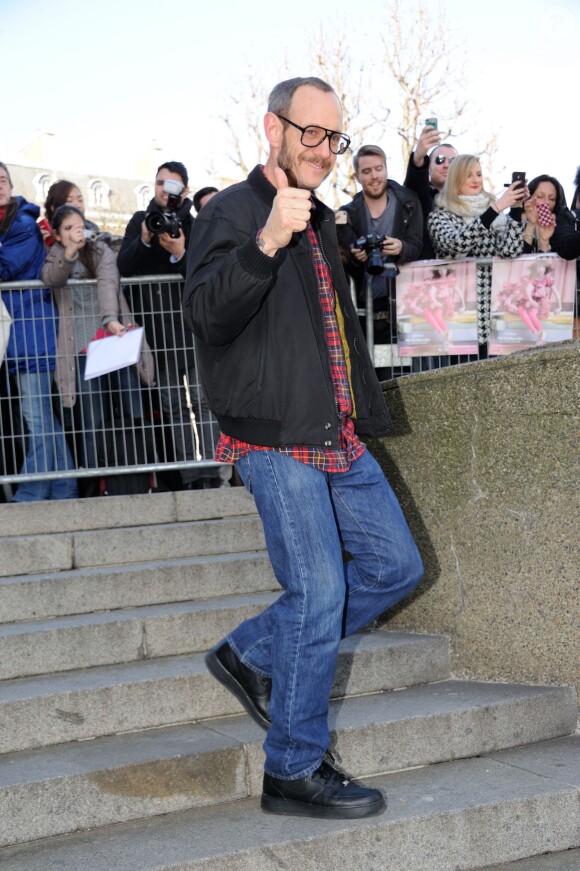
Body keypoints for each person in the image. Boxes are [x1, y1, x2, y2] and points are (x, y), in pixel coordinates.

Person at [184, 76, 423, 819]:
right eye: (309, 132)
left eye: (333, 137)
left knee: (395, 565)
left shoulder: (321, 217)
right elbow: (205, 314)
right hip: (272, 434)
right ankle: (292, 767)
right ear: (274, 128)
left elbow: (329, 331)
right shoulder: (232, 210)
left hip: (332, 429)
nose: (322, 149)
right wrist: (265, 241)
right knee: (318, 593)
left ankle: (253, 652)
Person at [118, 161, 224, 489]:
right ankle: (190, 475)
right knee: (174, 406)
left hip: (193, 330)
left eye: (173, 185)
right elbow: (124, 266)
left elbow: (208, 274)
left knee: (204, 402)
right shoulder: (142, 221)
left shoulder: (197, 224)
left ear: (186, 190)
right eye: (161, 183)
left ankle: (212, 471)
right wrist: (147, 238)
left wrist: (180, 253)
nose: (166, 190)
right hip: (158, 334)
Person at [41, 205, 154, 471]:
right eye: (67, 229)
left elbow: (107, 283)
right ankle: (97, 477)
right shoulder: (55, 255)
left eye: (78, 227)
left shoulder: (100, 249)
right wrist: (69, 252)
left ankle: (141, 471)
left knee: (132, 411)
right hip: (81, 348)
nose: (75, 233)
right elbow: (51, 279)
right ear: (57, 235)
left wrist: (110, 318)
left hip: (114, 339)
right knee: (92, 418)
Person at [0, 162, 77, 501]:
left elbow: (5, 268)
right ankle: (64, 487)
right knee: (42, 415)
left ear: (11, 185)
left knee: (35, 415)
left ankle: (31, 492)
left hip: (30, 328)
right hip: (21, 330)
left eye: (2, 179)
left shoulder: (20, 225)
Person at [427, 154, 526, 345]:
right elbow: (455, 245)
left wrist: (515, 209)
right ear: (455, 178)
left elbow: (510, 251)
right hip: (459, 315)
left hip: (495, 314)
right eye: (468, 175)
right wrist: (495, 209)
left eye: (479, 174)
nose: (475, 180)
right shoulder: (439, 217)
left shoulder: (495, 213)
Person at [336, 144, 423, 344]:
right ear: (357, 177)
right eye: (366, 171)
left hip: (407, 306)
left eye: (378, 169)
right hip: (366, 311)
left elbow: (417, 245)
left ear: (385, 169)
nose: (374, 176)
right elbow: (346, 262)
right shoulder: (346, 214)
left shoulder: (408, 203)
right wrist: (357, 258)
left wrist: (402, 248)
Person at [404, 125, 458, 258]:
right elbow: (415, 182)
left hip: (464, 274)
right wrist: (418, 157)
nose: (446, 165)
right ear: (429, 167)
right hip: (427, 273)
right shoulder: (419, 196)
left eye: (452, 161)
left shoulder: (470, 198)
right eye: (440, 160)